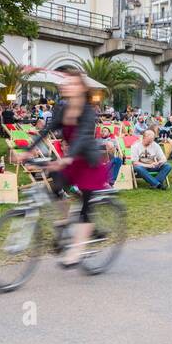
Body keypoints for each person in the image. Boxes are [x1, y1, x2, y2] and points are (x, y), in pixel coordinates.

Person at [19, 68, 111, 268]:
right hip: (71, 160)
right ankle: (63, 222)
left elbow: (83, 136)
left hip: (89, 162)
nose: (65, 85)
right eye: (65, 82)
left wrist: (67, 159)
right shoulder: (62, 109)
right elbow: (46, 130)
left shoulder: (87, 111)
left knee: (86, 205)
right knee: (54, 187)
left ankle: (77, 251)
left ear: (81, 88)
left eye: (71, 82)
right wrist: (28, 151)